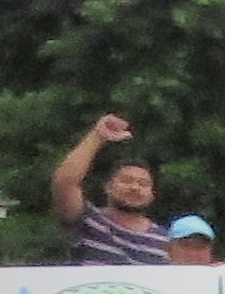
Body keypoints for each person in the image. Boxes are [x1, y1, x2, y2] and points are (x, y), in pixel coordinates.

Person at [50, 114, 169, 265]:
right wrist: (97, 136)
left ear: (152, 194)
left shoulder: (166, 240)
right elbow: (64, 183)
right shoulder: (87, 220)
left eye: (143, 184)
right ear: (108, 187)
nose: (135, 187)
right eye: (126, 180)